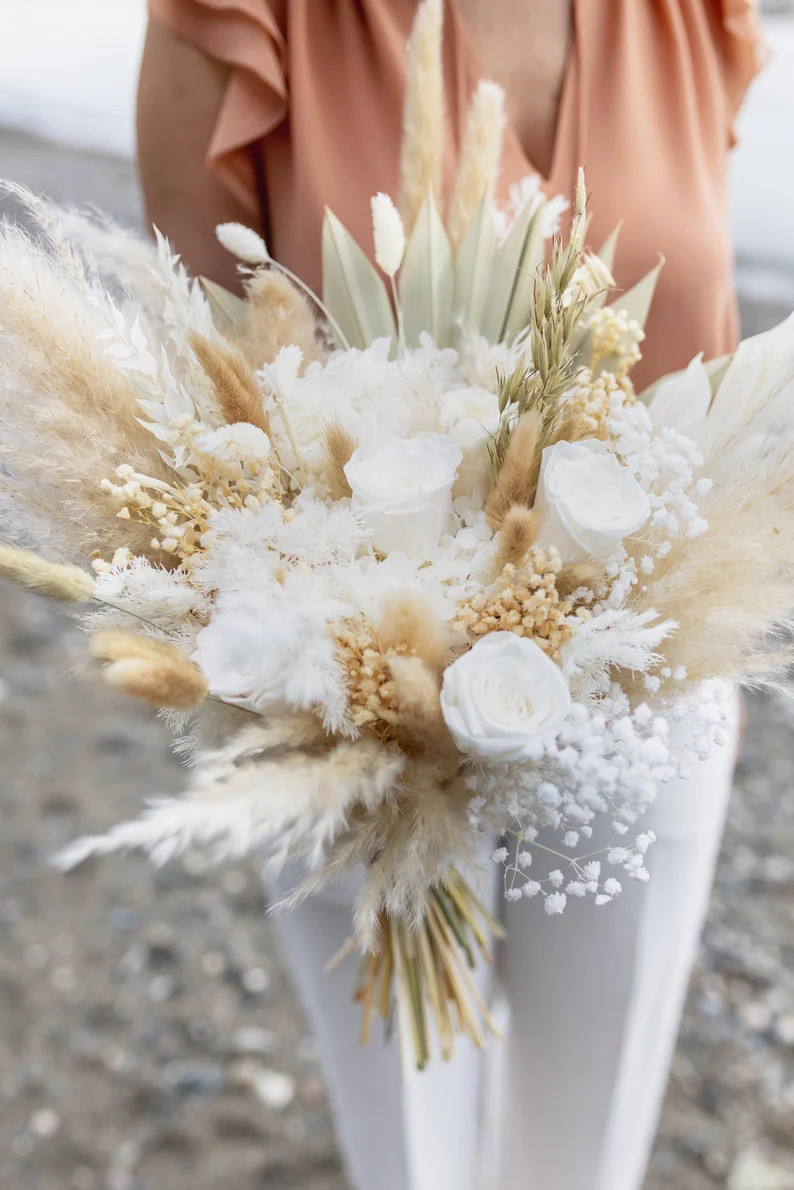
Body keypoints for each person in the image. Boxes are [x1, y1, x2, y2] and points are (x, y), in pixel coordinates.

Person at [136, 4, 764, 1188]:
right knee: (408, 1149)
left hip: (649, 684)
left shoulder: (693, 19)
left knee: (591, 1143)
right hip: (355, 693)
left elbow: (691, 331)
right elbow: (206, 382)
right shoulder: (247, 19)